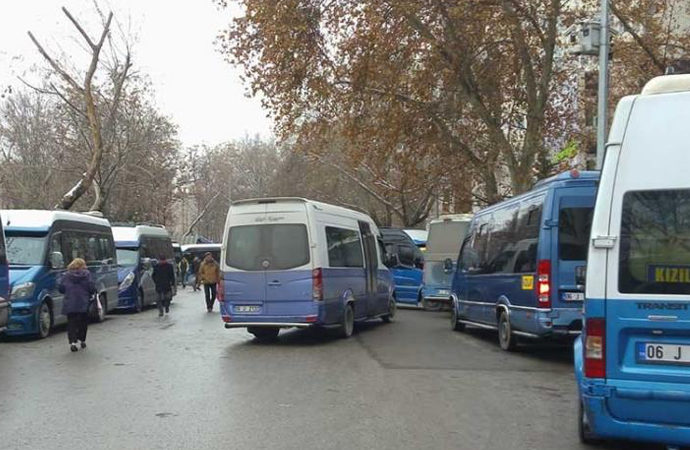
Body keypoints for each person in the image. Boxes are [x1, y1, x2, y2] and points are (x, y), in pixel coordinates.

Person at [58, 258, 96, 352]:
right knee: (83, 322)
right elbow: (91, 287)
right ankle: (82, 340)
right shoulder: (87, 274)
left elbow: (61, 288)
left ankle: (72, 342)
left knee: (71, 323)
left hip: (70, 302)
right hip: (83, 302)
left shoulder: (66, 275)